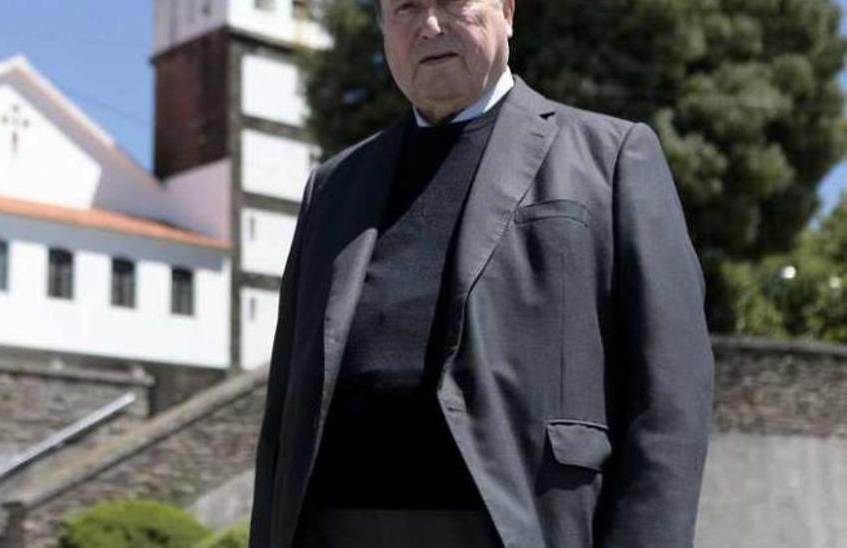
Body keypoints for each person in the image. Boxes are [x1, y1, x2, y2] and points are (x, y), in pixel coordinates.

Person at [247, 0, 716, 547]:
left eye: (451, 3)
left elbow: (670, 392)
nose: (429, 25)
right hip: (335, 526)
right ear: (384, 30)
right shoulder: (332, 188)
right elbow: (285, 408)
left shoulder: (610, 156)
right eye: (405, 8)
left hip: (517, 524)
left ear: (508, 13)